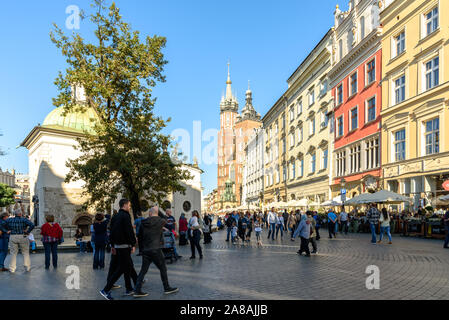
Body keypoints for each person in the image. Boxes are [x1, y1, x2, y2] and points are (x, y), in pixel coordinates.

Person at [133, 206, 178, 297]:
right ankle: (166, 288)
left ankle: (137, 290)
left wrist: (142, 249)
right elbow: (166, 218)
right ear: (157, 213)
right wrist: (158, 210)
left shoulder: (143, 222)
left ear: (149, 213)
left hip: (146, 250)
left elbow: (139, 237)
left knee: (143, 271)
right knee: (163, 268)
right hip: (156, 249)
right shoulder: (160, 221)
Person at [100, 199, 137, 300]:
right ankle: (106, 290)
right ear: (125, 205)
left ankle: (129, 288)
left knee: (128, 266)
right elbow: (129, 231)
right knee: (122, 268)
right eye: (129, 205)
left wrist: (112, 245)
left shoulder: (115, 216)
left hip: (117, 246)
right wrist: (133, 244)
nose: (129, 207)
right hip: (124, 246)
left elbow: (111, 231)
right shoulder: (125, 216)